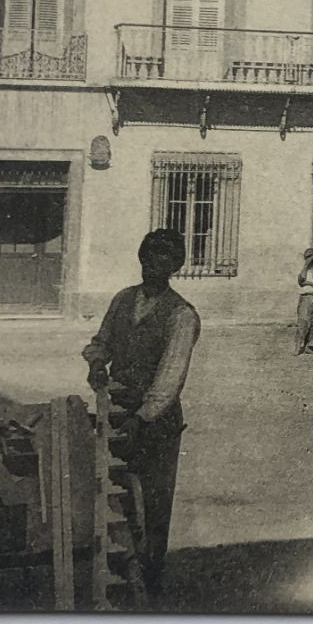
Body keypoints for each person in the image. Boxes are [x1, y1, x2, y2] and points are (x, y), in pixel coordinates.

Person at [81, 229, 201, 602]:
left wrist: (143, 417)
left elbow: (170, 376)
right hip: (116, 412)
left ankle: (151, 582)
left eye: (163, 260)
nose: (153, 266)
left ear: (175, 266)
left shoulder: (181, 315)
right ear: (140, 259)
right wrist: (98, 362)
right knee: (112, 494)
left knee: (152, 503)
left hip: (155, 423)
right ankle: (117, 571)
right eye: (148, 258)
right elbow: (101, 341)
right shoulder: (122, 300)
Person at [295, 248, 313, 355]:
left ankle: (307, 345)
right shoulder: (303, 270)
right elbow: (301, 280)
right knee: (303, 322)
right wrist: (310, 283)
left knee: (312, 323)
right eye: (308, 257)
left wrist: (309, 284)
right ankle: (298, 346)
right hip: (305, 298)